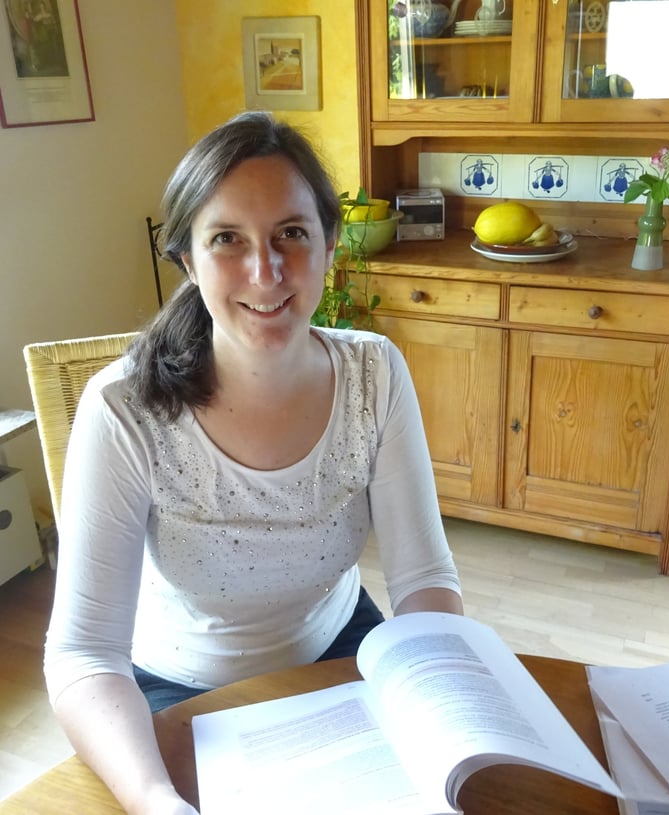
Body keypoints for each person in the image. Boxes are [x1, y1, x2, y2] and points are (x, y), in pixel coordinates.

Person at [43, 110, 463, 815]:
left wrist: (457, 718)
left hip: (341, 645)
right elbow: (84, 653)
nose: (264, 272)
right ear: (187, 259)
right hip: (181, 687)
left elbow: (424, 582)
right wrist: (155, 799)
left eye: (291, 235)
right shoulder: (125, 409)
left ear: (331, 243)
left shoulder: (375, 375)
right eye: (227, 239)